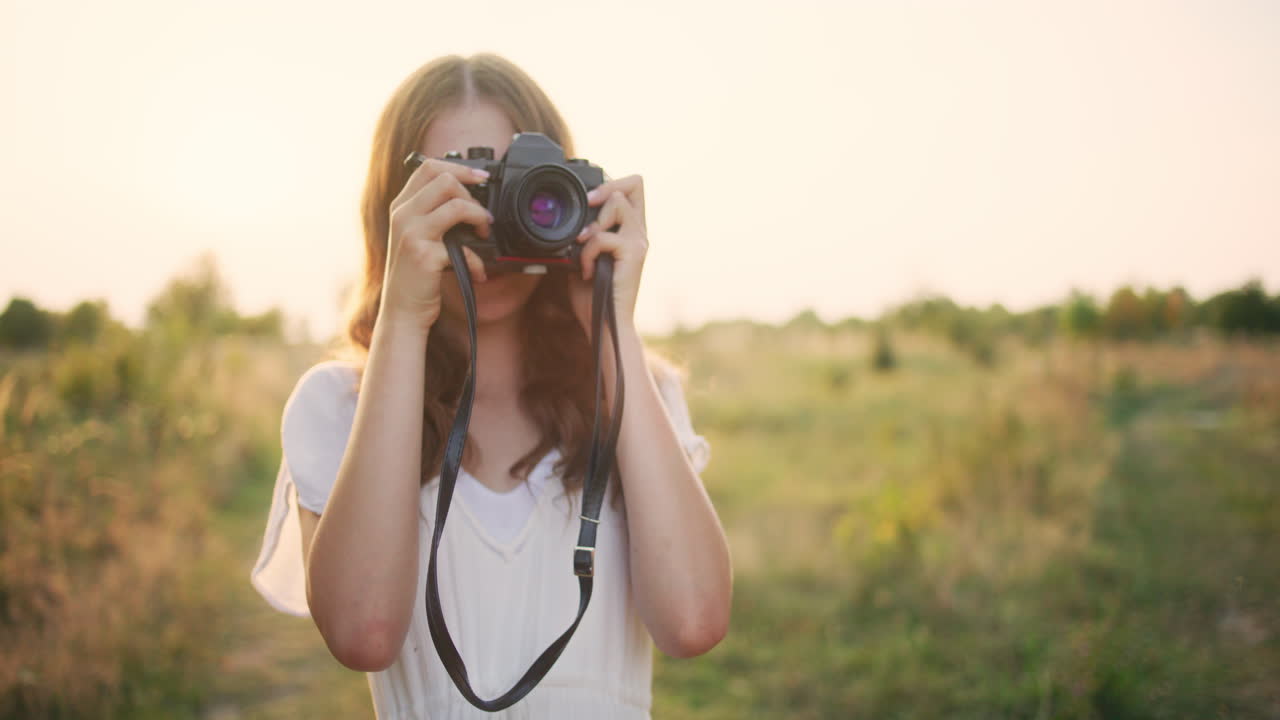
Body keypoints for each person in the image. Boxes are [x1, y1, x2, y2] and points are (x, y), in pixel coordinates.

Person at [250, 53, 733, 719]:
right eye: (463, 192)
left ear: (570, 191)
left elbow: (695, 622)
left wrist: (610, 323)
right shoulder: (338, 406)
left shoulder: (637, 393)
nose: (492, 223)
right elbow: (363, 632)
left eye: (519, 188)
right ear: (394, 214)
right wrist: (402, 315)